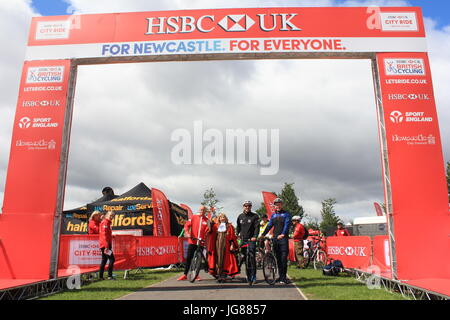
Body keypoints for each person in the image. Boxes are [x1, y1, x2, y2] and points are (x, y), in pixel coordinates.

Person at [260, 198, 292, 284]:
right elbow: (269, 226)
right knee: (278, 259)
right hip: (275, 239)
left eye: (279, 204)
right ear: (274, 206)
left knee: (283, 258)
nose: (278, 206)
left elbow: (287, 225)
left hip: (283, 239)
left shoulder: (287, 214)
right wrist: (263, 234)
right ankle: (280, 277)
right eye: (276, 204)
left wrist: (283, 234)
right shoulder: (273, 216)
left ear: (282, 205)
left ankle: (284, 277)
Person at [178, 205, 210, 281]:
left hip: (201, 242)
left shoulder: (207, 220)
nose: (201, 211)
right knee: (189, 258)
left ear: (205, 211)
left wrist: (206, 236)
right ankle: (185, 274)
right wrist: (187, 233)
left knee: (198, 259)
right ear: (199, 210)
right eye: (201, 210)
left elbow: (208, 230)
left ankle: (196, 274)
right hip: (192, 241)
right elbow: (186, 226)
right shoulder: (193, 217)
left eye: (203, 210)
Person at [207, 213, 239, 282]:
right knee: (218, 259)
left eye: (223, 217)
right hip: (217, 245)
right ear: (219, 218)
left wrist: (232, 245)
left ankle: (224, 275)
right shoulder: (216, 226)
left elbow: (232, 236)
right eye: (221, 217)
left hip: (226, 245)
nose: (222, 218)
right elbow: (210, 232)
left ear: (226, 218)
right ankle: (219, 274)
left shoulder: (229, 226)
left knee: (226, 259)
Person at [236, 200, 260, 284]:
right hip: (243, 240)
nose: (247, 207)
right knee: (244, 257)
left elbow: (257, 228)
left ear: (251, 207)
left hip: (251, 240)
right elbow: (238, 228)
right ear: (243, 206)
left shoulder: (255, 216)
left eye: (249, 206)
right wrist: (236, 234)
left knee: (251, 256)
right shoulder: (240, 216)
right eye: (246, 206)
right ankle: (248, 274)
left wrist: (255, 237)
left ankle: (253, 276)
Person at [99, 211, 115, 280]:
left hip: (105, 244)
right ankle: (109, 276)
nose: (112, 217)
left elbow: (107, 235)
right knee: (112, 259)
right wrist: (106, 246)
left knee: (104, 260)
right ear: (107, 215)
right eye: (110, 215)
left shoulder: (107, 222)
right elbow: (104, 235)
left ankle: (101, 276)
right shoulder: (105, 222)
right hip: (105, 245)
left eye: (113, 216)